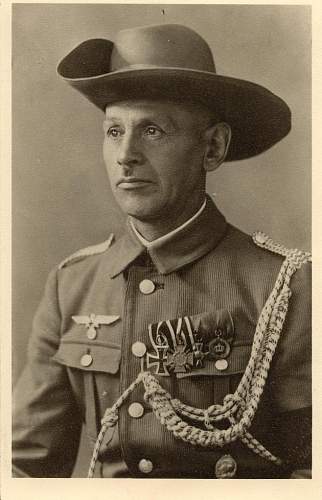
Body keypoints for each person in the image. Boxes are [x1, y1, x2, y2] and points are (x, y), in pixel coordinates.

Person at [12, 23, 311, 479]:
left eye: (151, 130)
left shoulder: (286, 286)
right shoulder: (72, 284)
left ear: (212, 148)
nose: (126, 155)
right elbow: (23, 469)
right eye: (114, 131)